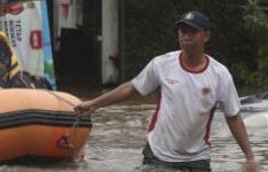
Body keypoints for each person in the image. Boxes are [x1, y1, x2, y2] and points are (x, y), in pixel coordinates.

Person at [74, 11, 256, 171]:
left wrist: (249, 158)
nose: (186, 36)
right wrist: (94, 104)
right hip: (158, 154)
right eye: (183, 32)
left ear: (206, 36)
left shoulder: (220, 75)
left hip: (197, 159)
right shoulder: (162, 64)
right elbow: (131, 88)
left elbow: (233, 116)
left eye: (193, 32)